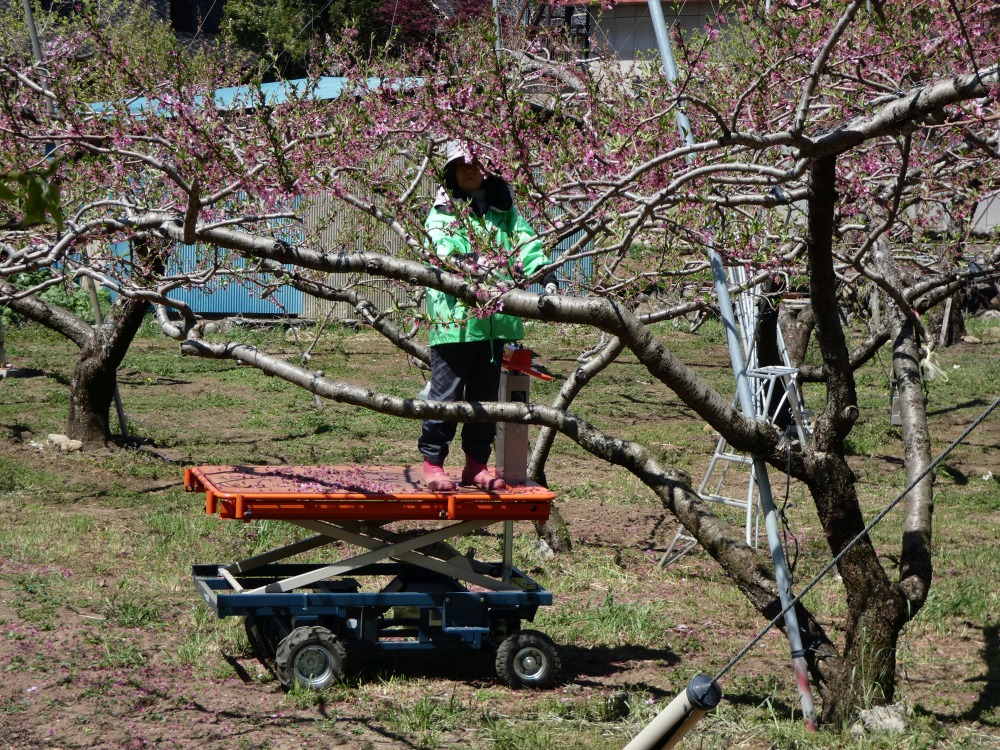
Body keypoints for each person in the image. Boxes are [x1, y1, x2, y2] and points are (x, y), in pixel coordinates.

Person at [418, 141, 557, 492]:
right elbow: (442, 246)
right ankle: (432, 463)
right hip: (455, 321)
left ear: (488, 169)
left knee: (484, 399)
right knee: (445, 395)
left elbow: (527, 244)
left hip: (495, 323)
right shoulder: (443, 210)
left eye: (476, 163)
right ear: (450, 172)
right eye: (460, 165)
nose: (469, 170)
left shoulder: (504, 212)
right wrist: (467, 268)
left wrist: (545, 275)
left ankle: (476, 465)